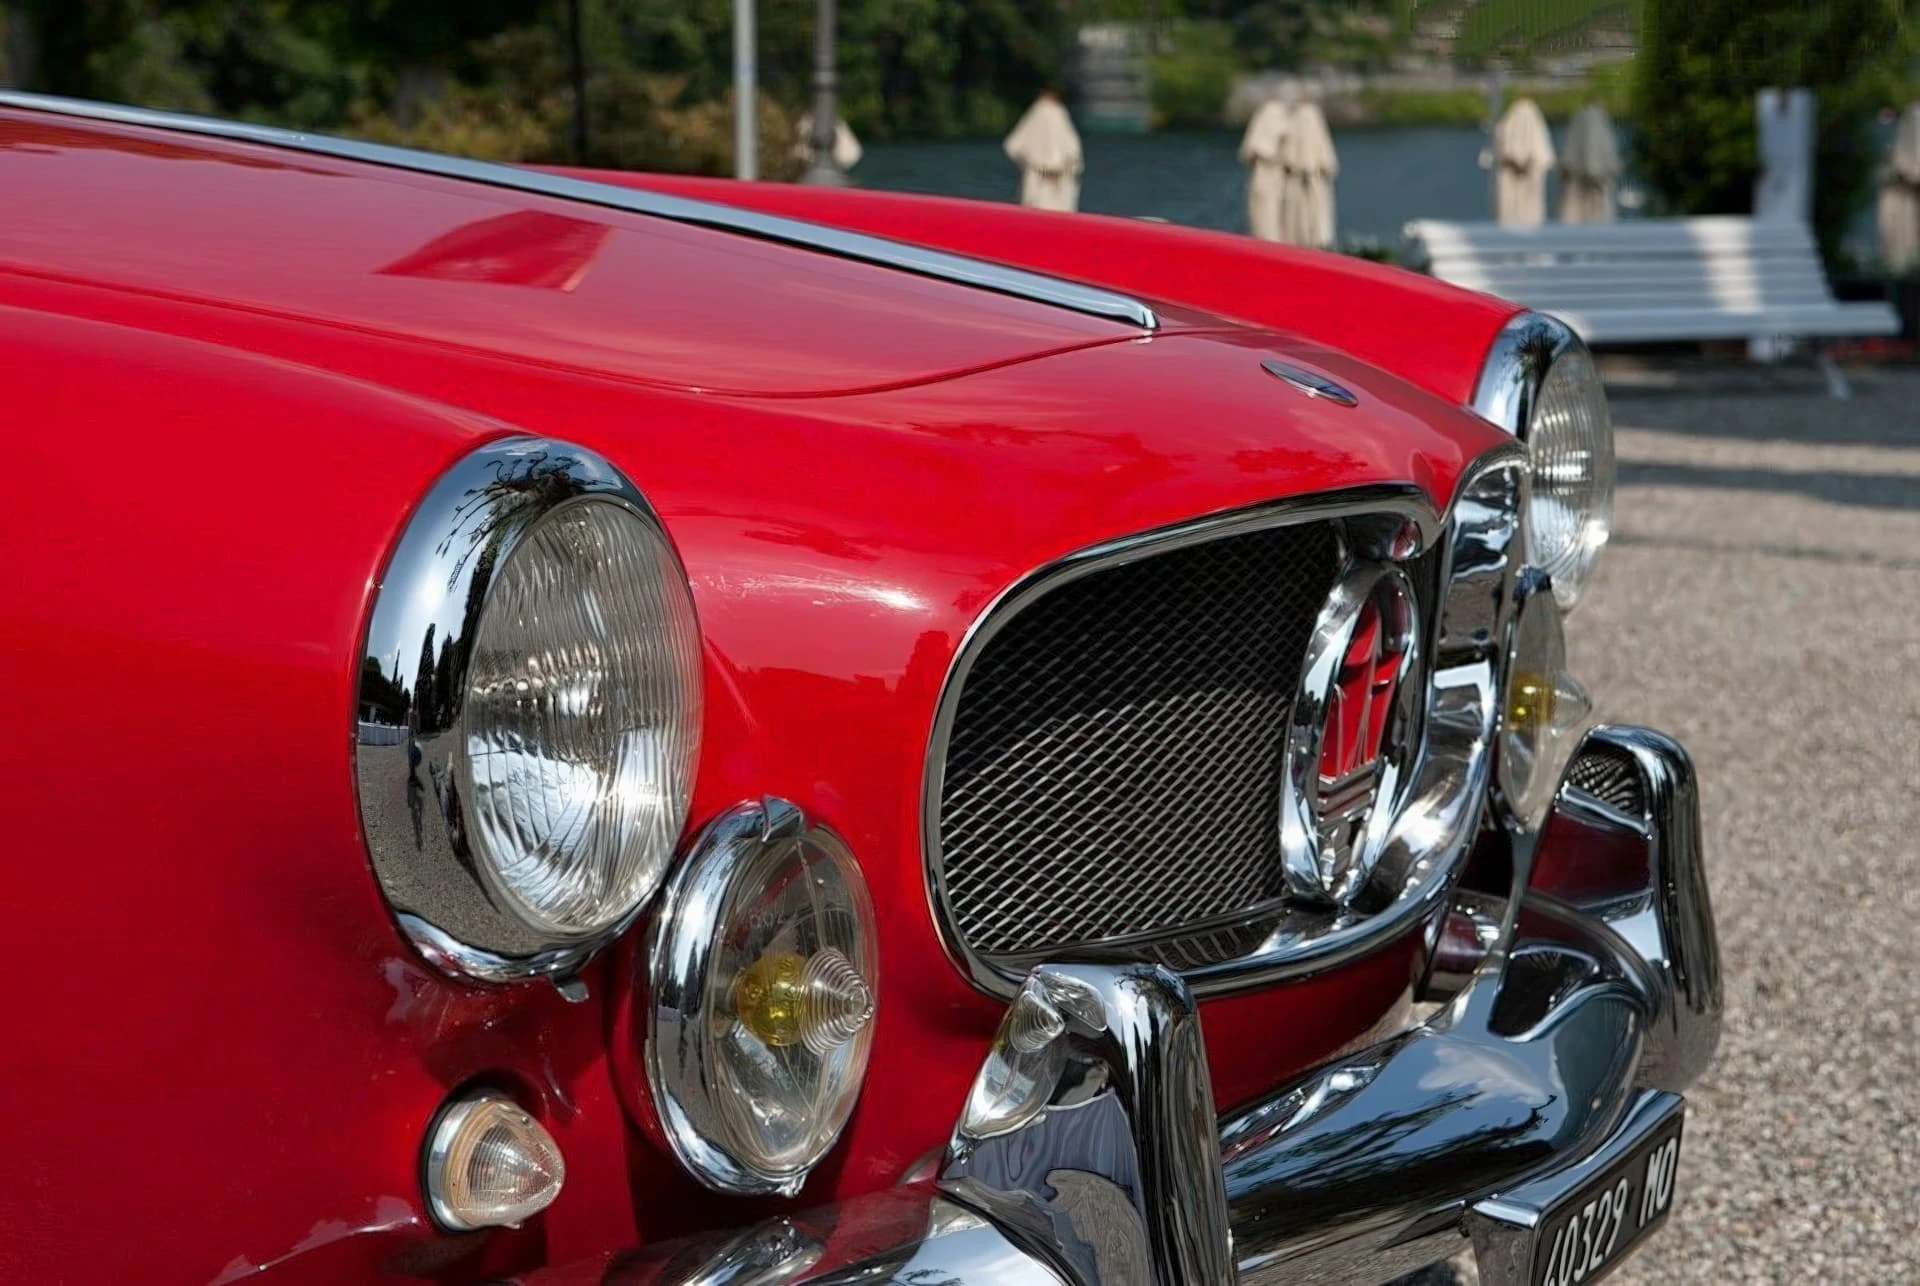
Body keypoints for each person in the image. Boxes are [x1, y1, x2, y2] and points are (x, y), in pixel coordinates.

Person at [1004, 91, 1083, 212]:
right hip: (1049, 182)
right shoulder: (1055, 114)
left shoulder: (1039, 114)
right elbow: (1074, 154)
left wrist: (1029, 161)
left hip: (1047, 182)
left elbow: (1013, 145)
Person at [1239, 95, 1289, 241]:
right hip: (1272, 181)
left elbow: (1251, 152)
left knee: (1265, 221)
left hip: (1265, 181)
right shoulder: (1282, 122)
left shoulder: (1268, 119)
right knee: (1270, 220)